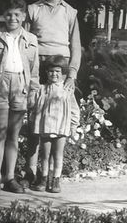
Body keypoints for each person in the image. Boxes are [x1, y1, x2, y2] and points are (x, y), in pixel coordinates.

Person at [23, 0, 81, 188]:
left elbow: (76, 47)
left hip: (62, 68)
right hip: (39, 66)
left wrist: (72, 75)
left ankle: (51, 176)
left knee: (57, 120)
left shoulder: (70, 12)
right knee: (36, 120)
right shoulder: (33, 9)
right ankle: (31, 172)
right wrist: (30, 75)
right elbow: (25, 42)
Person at [0, 0, 40, 194]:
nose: (12, 18)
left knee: (13, 136)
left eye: (17, 14)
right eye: (8, 14)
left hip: (20, 87)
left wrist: (33, 93)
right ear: (3, 15)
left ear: (24, 16)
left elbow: (34, 72)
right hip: (0, 87)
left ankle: (10, 177)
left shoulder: (31, 40)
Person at [30, 55, 80, 193]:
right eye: (51, 71)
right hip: (45, 127)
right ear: (46, 72)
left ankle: (56, 180)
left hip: (61, 127)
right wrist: (32, 124)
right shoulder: (42, 89)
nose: (54, 74)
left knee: (58, 155)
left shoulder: (67, 91)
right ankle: (44, 179)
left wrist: (73, 126)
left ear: (63, 74)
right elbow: (34, 109)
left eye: (58, 72)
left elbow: (75, 110)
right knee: (45, 155)